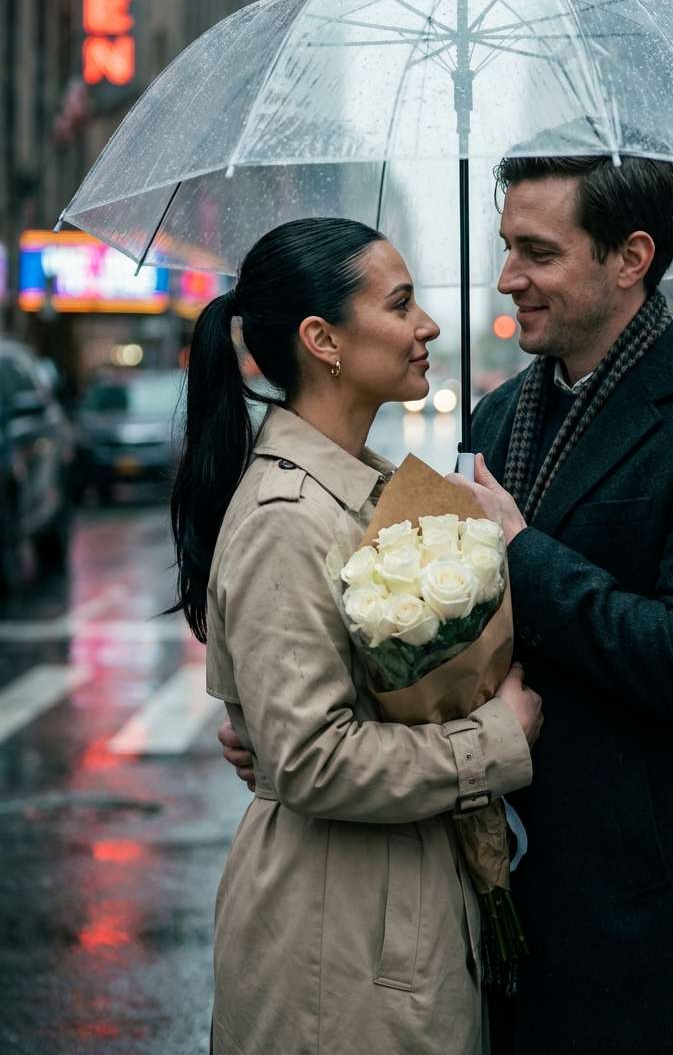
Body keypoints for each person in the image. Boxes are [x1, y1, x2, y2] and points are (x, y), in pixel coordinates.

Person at [221, 158, 673, 1054]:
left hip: (640, 937)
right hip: (482, 918)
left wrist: (522, 550)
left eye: (539, 253)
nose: (506, 279)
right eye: (505, 248)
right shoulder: (495, 422)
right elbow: (439, 645)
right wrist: (297, 715)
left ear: (630, 258)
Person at [174, 217, 541, 1055]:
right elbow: (311, 759)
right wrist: (496, 738)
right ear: (323, 340)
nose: (428, 326)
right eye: (401, 304)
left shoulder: (367, 492)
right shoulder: (285, 517)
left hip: (389, 907)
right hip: (333, 941)